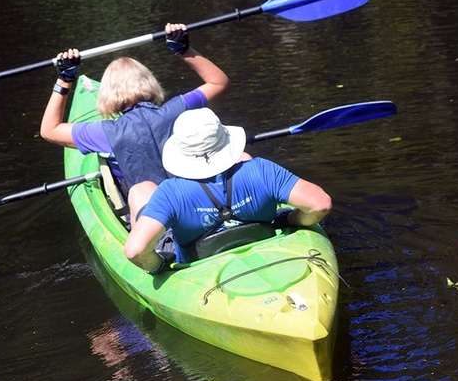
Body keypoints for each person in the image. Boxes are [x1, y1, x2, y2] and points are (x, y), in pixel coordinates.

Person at [40, 23, 230, 225]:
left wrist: (64, 80)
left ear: (107, 94)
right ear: (150, 82)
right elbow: (219, 83)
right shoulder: (179, 109)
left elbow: (49, 130)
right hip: (199, 206)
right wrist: (184, 49)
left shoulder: (105, 132)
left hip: (155, 223)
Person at [124, 107, 332, 273]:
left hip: (199, 267)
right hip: (264, 245)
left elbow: (135, 251)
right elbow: (320, 204)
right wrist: (288, 219)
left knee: (140, 190)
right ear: (224, 138)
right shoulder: (262, 169)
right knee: (245, 159)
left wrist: (157, 265)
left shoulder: (169, 192)